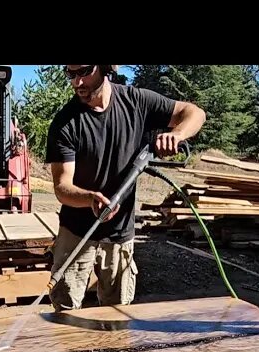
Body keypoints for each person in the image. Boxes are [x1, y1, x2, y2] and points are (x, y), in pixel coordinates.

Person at [45, 65, 206, 311]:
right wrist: (90, 199)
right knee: (64, 312)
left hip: (120, 235)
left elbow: (194, 113)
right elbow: (62, 187)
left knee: (119, 313)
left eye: (84, 72)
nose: (77, 83)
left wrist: (177, 134)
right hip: (76, 234)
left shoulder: (137, 101)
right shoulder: (65, 123)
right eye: (71, 75)